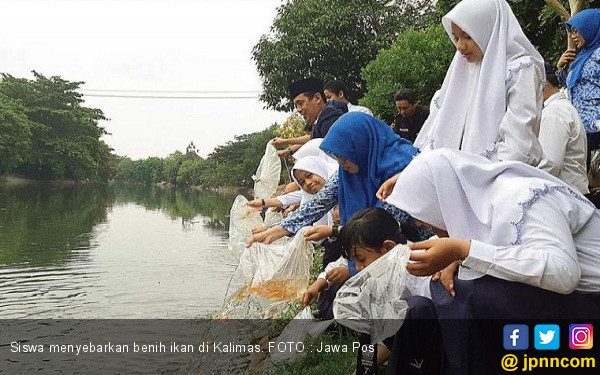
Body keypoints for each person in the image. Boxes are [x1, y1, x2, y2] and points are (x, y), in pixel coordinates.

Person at [385, 149, 600, 374]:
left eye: (428, 222)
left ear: (443, 198)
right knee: (449, 285)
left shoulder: (523, 198)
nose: (431, 230)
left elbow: (564, 274)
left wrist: (465, 249)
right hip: (570, 306)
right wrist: (460, 254)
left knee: (477, 294)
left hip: (590, 307)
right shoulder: (483, 205)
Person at [246, 112, 427, 247]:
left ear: (360, 145)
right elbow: (318, 203)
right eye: (337, 157)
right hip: (368, 250)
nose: (341, 163)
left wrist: (333, 231)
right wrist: (277, 229)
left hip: (418, 250)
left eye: (344, 156)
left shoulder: (404, 166)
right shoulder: (347, 170)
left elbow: (382, 223)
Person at [302, 207, 439, 374]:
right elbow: (382, 332)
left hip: (436, 339)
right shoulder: (382, 271)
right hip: (407, 332)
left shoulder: (419, 269)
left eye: (361, 260)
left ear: (387, 247)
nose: (359, 269)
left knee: (414, 309)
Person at [414, 0, 545, 166]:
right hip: (457, 178)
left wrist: (472, 177)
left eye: (468, 36)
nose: (460, 46)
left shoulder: (519, 69)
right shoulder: (463, 71)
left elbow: (519, 144)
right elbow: (438, 129)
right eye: (456, 38)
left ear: (489, 29)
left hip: (499, 179)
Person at [556, 8, 600, 170]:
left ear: (590, 28)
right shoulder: (583, 56)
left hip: (595, 128)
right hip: (580, 127)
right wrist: (560, 68)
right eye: (571, 32)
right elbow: (573, 86)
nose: (573, 36)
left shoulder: (598, 55)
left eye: (577, 31)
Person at [538, 62, 588, 194]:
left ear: (544, 85)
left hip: (566, 195)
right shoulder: (563, 107)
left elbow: (550, 163)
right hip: (573, 192)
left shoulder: (553, 112)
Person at [271, 77, 346, 157]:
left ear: (317, 98)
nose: (298, 110)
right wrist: (288, 150)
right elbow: (312, 139)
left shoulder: (329, 116)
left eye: (300, 103)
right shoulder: (322, 118)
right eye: (296, 106)